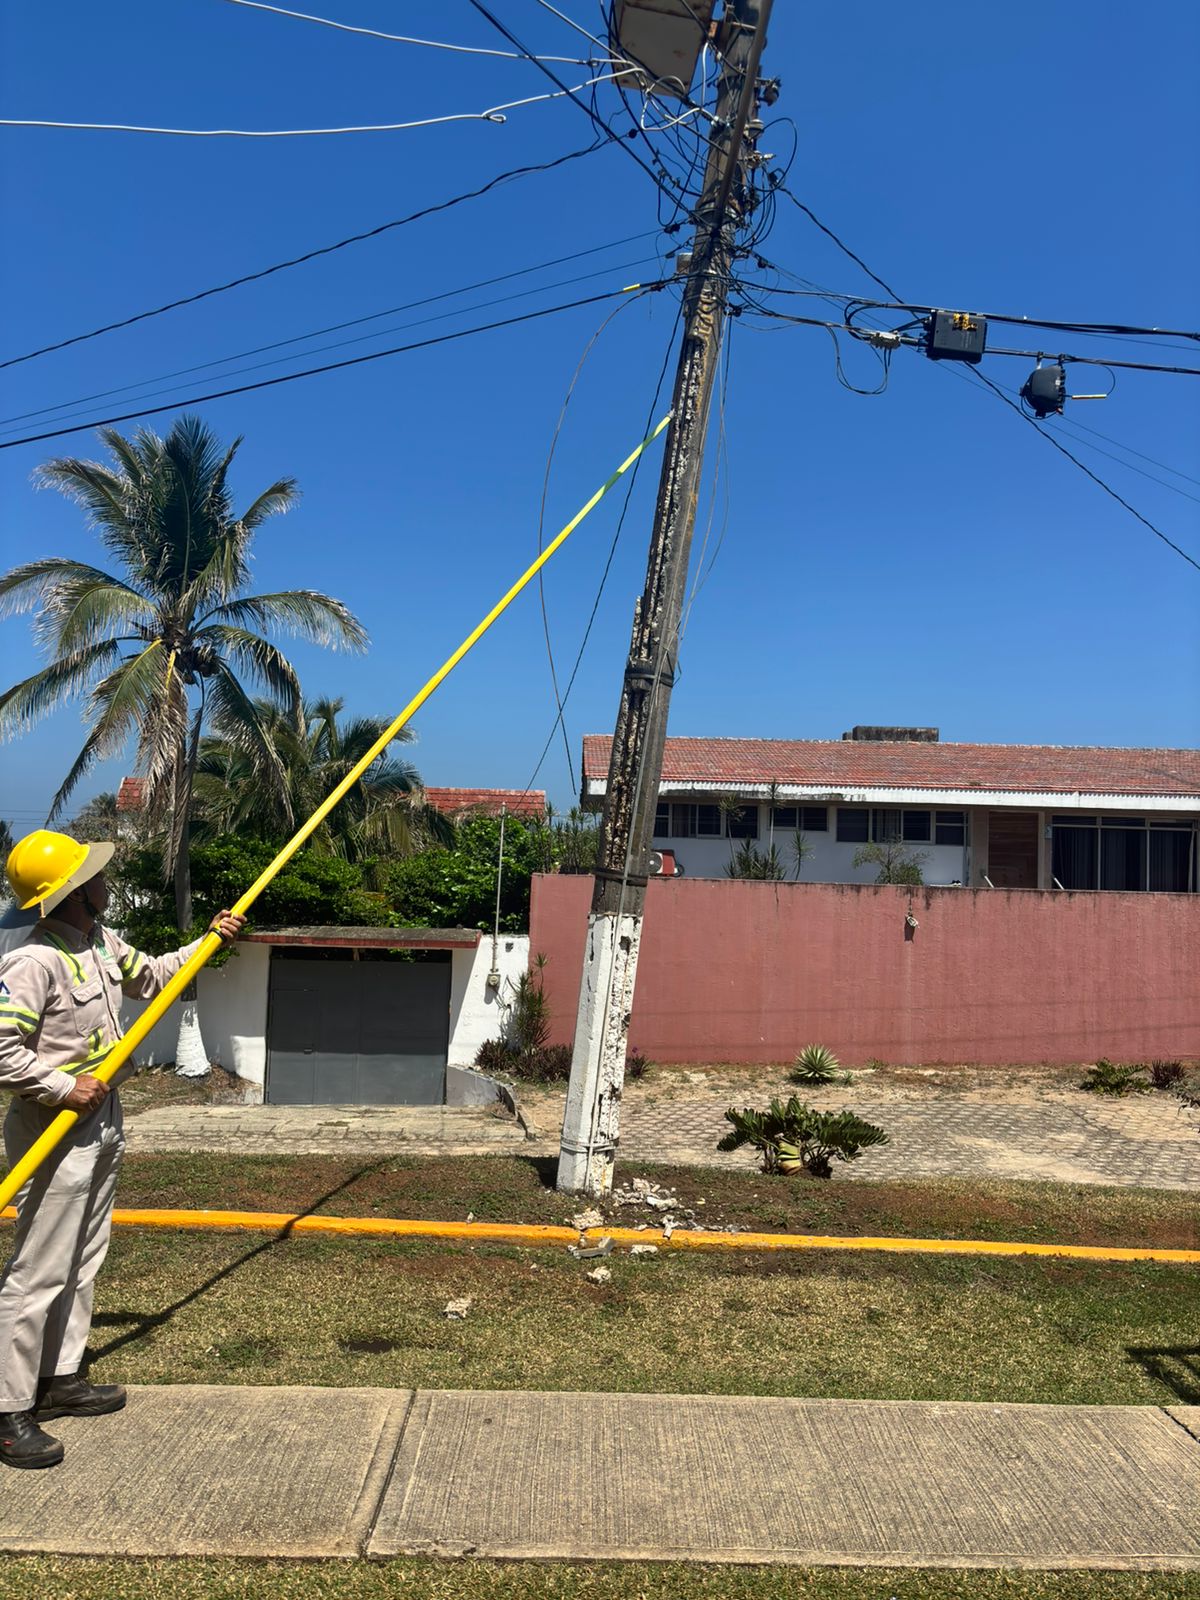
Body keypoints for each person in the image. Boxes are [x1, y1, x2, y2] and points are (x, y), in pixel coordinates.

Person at [0, 828, 244, 1469]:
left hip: (102, 1116)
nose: (106, 883)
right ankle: (8, 1408)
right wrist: (63, 1086)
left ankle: (60, 1377)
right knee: (39, 1267)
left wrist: (210, 939)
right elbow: (1, 1050)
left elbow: (154, 977)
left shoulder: (100, 943)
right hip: (53, 1124)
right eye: (95, 877)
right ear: (75, 892)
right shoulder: (33, 963)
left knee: (83, 1255)